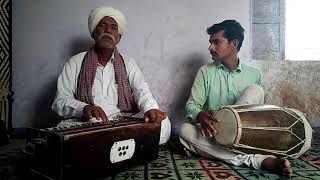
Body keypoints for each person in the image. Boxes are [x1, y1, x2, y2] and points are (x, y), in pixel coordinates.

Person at [179, 20, 293, 177]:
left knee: (255, 90)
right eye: (210, 42)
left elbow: (259, 115)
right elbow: (192, 104)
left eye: (216, 42)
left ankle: (206, 151)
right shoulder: (205, 72)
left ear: (234, 43)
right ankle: (260, 161)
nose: (210, 47)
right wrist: (200, 114)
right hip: (215, 135)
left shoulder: (255, 74)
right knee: (184, 131)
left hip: (246, 137)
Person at [52, 6, 171, 145]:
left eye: (114, 27)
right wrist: (84, 108)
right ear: (94, 33)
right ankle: (128, 144)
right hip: (90, 122)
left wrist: (150, 108)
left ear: (118, 37)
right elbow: (60, 101)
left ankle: (112, 143)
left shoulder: (128, 63)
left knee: (164, 124)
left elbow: (141, 90)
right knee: (89, 125)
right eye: (102, 25)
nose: (108, 30)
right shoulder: (75, 62)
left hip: (124, 119)